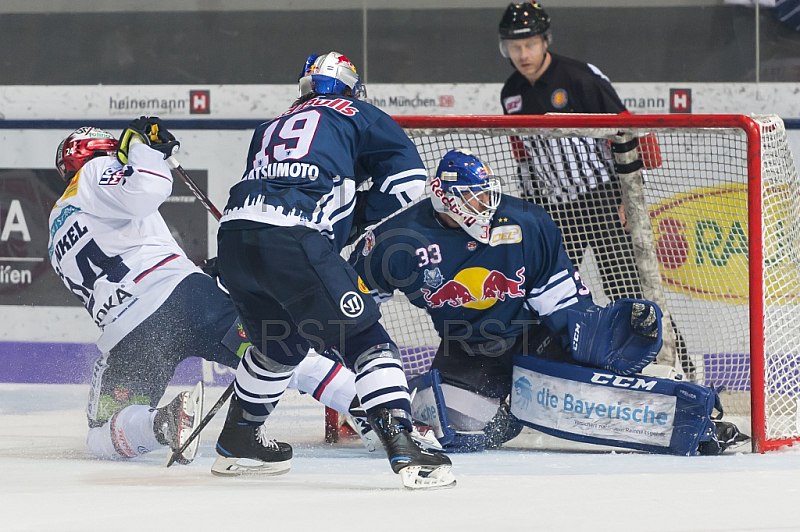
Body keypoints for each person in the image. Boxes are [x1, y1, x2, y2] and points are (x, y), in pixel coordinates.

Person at [350, 148, 749, 455]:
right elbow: (352, 306)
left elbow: (558, 299)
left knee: (595, 396)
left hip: (532, 337)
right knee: (451, 433)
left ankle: (695, 419)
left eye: (483, 194)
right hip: (467, 349)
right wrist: (356, 374)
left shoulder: (526, 222)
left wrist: (592, 340)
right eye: (469, 199)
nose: (482, 205)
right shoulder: (396, 241)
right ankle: (504, 412)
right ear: (442, 199)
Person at [48, 122, 369, 464]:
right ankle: (381, 414)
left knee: (100, 434)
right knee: (284, 356)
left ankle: (160, 425)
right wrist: (143, 147)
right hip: (186, 298)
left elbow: (120, 265)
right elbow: (149, 187)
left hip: (129, 332)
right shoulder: (97, 172)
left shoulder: (55, 229)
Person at [213, 52, 455, 489]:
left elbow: (275, 184)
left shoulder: (270, 125)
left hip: (234, 238)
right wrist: (358, 216)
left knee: (279, 347)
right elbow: (408, 187)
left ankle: (239, 439)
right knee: (366, 338)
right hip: (293, 238)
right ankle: (401, 441)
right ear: (351, 88)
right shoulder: (361, 114)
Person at [497, 2, 693, 378]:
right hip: (555, 212)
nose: (522, 54)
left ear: (545, 41)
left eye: (529, 44)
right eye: (514, 46)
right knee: (542, 291)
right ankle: (553, 372)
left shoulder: (579, 77)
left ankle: (676, 367)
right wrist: (530, 212)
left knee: (630, 288)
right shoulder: (511, 94)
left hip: (603, 200)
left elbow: (627, 133)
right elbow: (523, 157)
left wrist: (629, 199)